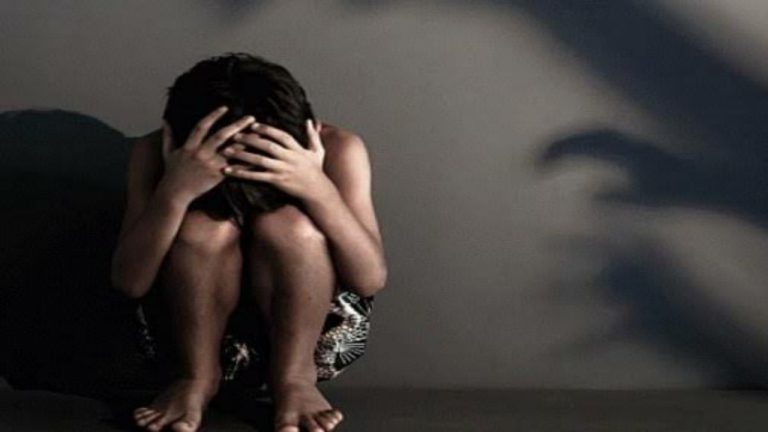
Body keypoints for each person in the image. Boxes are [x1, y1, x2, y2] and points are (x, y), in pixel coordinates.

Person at [110, 52, 388, 432]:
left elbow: (369, 278)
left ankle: (293, 381)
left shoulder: (340, 148)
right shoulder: (154, 152)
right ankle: (196, 379)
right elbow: (129, 282)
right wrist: (174, 192)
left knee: (288, 225)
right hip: (180, 338)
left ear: (308, 131)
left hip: (309, 337)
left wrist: (317, 189)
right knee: (203, 228)